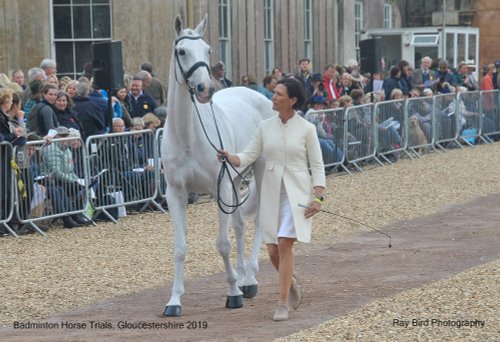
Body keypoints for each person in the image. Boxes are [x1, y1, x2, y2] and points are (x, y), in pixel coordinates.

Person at [217, 78, 326, 322]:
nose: (273, 98)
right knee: (272, 251)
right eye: (273, 93)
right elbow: (248, 155)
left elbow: (317, 165)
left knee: (286, 243)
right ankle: (292, 281)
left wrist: (318, 197)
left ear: (292, 100)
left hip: (297, 194)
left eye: (278, 94)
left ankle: (282, 302)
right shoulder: (265, 127)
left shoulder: (307, 129)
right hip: (270, 193)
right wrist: (230, 157)